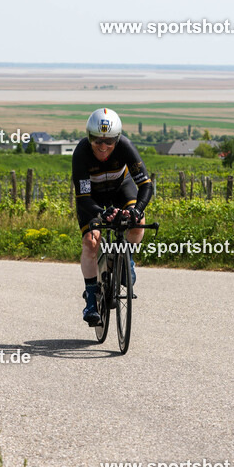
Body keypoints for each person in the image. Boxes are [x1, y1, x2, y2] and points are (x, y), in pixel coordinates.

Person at [72, 108, 154, 325]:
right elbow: (83, 198)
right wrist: (102, 213)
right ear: (89, 138)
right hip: (93, 199)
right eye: (97, 140)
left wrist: (138, 209)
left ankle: (127, 260)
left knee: (138, 223)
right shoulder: (81, 153)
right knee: (91, 242)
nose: (103, 146)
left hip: (120, 189)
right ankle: (91, 298)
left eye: (109, 141)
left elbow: (146, 185)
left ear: (117, 139)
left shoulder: (125, 146)